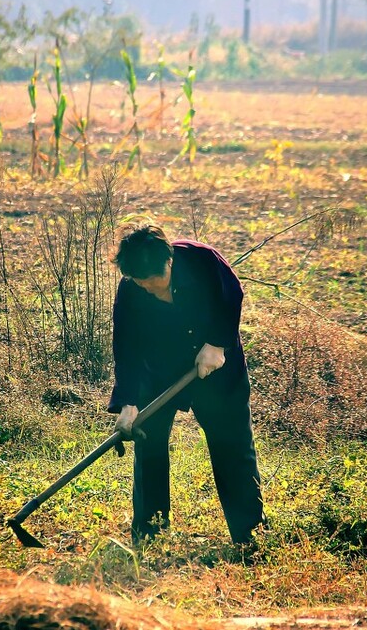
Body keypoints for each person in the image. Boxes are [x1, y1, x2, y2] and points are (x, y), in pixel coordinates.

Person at [108, 223, 265, 548]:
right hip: (158, 374)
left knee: (232, 449)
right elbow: (126, 346)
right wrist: (128, 401)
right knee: (148, 447)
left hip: (216, 369)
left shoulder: (202, 261)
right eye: (142, 283)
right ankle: (150, 538)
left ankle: (250, 536)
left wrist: (218, 343)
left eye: (154, 281)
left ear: (169, 262)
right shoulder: (131, 290)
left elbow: (232, 294)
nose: (149, 288)